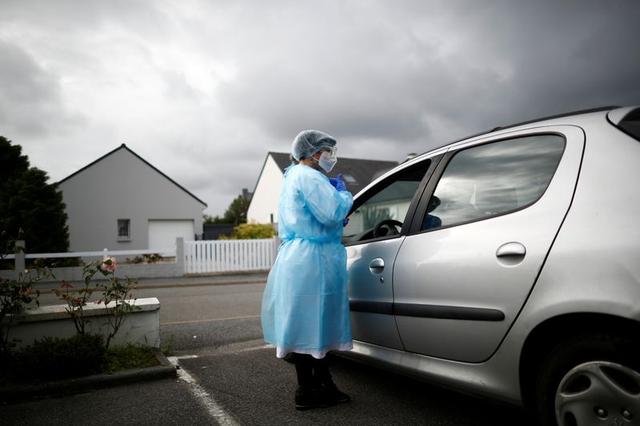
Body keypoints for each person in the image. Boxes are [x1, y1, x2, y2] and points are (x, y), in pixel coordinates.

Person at [261, 129, 354, 411]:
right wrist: (344, 197)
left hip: (300, 257)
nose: (330, 157)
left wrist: (334, 209)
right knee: (314, 323)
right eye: (328, 151)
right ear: (314, 152)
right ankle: (308, 390)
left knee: (306, 323)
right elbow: (331, 213)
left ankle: (318, 385)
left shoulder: (293, 175)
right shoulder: (310, 177)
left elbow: (315, 216)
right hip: (312, 260)